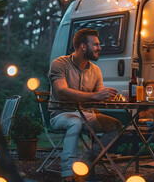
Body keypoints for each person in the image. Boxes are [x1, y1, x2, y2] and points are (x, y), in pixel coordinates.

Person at [48, 28, 122, 182]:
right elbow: (61, 91)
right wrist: (94, 95)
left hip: (85, 115)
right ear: (83, 46)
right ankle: (68, 173)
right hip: (60, 114)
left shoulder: (95, 70)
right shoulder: (60, 63)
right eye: (95, 44)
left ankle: (85, 161)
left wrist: (113, 96)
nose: (99, 48)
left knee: (115, 125)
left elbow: (99, 97)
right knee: (74, 122)